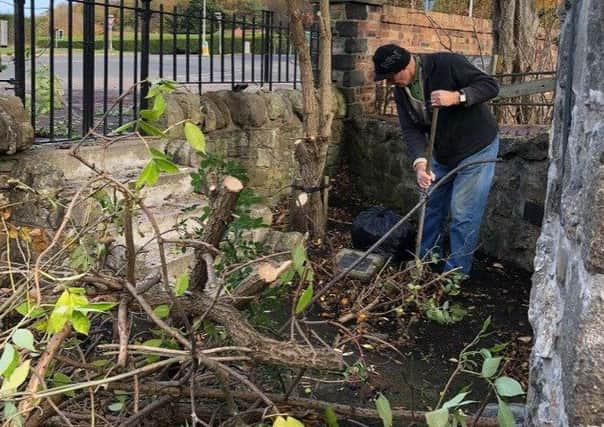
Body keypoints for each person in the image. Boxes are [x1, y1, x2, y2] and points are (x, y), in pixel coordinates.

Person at [372, 44, 500, 276]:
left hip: (476, 146)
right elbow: (411, 130)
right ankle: (426, 263)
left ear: (406, 65)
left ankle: (455, 275)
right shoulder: (401, 92)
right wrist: (421, 165)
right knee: (430, 206)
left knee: (463, 213)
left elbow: (490, 86)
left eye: (391, 77)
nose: (389, 83)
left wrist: (458, 96)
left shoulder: (447, 63)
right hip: (441, 152)